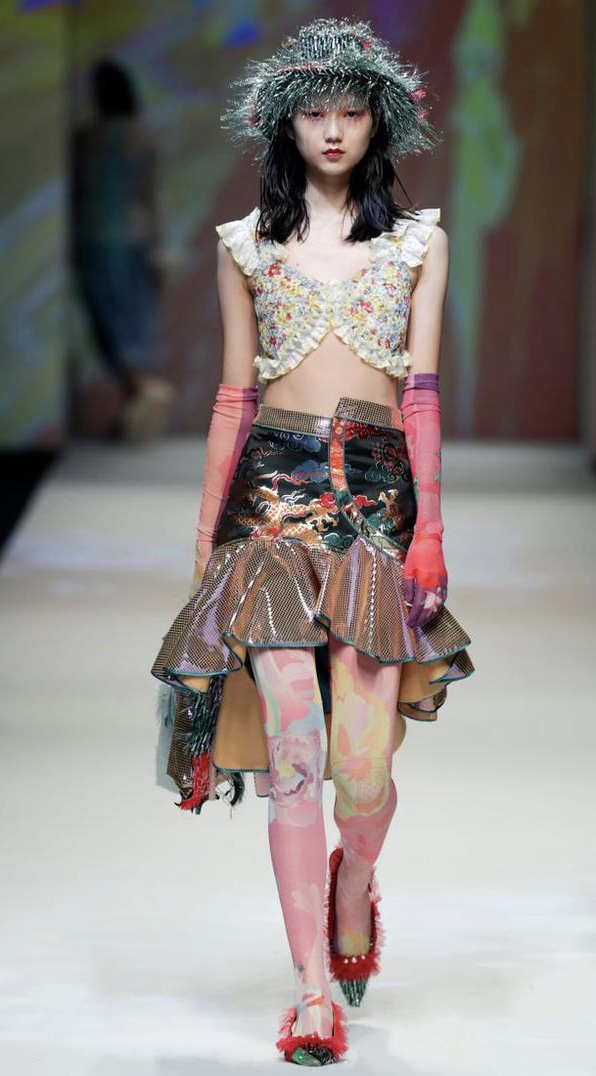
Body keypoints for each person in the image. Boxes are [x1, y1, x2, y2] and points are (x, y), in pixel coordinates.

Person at [151, 17, 475, 1066]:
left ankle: (354, 878)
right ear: (283, 124)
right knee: (294, 748)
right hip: (269, 506)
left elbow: (420, 394)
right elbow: (232, 396)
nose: (332, 130)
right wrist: (206, 544)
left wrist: (431, 531)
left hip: (377, 504)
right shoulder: (244, 245)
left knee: (362, 768)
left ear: (379, 122)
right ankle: (310, 993)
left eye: (350, 111)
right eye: (313, 112)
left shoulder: (418, 243)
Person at [70, 59, 175, 443]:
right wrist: (159, 249)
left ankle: (143, 388)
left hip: (95, 240)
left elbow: (76, 196)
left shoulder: (86, 140)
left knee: (108, 322)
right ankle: (136, 401)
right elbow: (152, 199)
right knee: (132, 321)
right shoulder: (143, 138)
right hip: (136, 239)